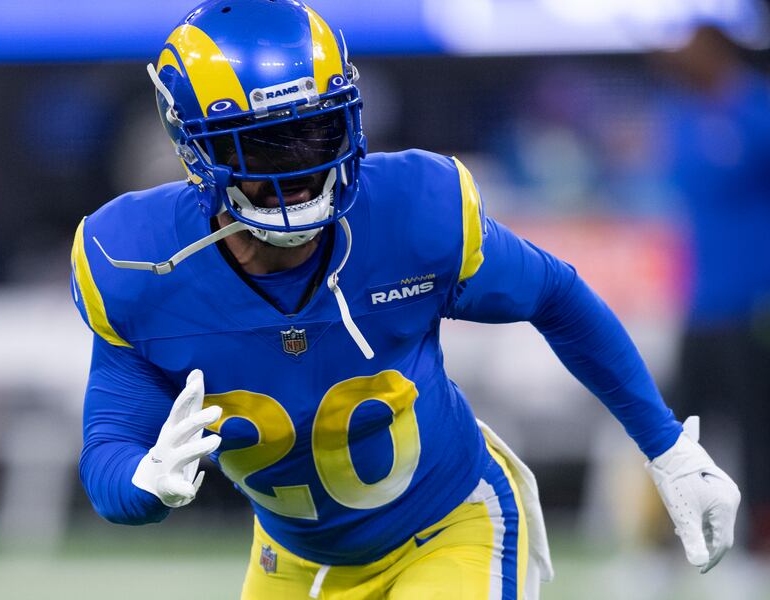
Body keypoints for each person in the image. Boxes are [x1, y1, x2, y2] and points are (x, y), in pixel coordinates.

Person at [70, 2, 741, 598]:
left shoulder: (415, 211)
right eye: (268, 142)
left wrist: (668, 448)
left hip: (451, 522)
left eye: (317, 130)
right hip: (296, 560)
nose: (303, 166)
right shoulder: (132, 261)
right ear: (199, 148)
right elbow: (109, 449)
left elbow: (555, 295)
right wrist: (144, 483)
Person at [653, 25, 770, 553]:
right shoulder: (680, 116)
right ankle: (670, 534)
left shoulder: (756, 110)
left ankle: (760, 537)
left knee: (757, 427)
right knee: (674, 429)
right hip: (701, 304)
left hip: (753, 302)